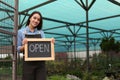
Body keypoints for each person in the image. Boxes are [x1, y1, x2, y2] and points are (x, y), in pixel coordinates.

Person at [17, 11, 54, 80]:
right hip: (28, 63)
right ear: (30, 18)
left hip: (40, 63)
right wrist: (24, 46)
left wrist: (50, 42)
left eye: (38, 20)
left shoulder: (41, 32)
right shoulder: (21, 32)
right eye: (34, 18)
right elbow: (18, 49)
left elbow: (44, 46)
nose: (36, 20)